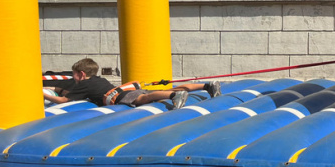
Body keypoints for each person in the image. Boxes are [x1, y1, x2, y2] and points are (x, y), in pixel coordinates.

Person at [43, 58, 221, 110]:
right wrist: (52, 87)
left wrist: (43, 94)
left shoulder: (83, 85)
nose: (73, 78)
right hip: (123, 89)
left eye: (74, 74)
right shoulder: (98, 80)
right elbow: (63, 89)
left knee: (144, 98)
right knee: (165, 88)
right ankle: (206, 86)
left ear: (81, 74)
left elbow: (63, 100)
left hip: (121, 96)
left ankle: (174, 96)